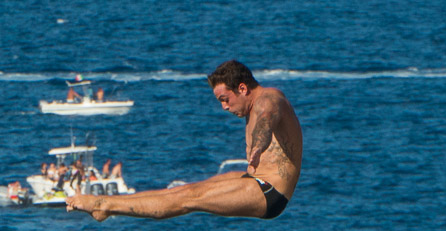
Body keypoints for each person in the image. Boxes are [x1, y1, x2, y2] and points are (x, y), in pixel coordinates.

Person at [66, 60, 302, 221]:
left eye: (225, 99)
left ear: (242, 88)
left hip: (270, 192)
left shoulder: (268, 98)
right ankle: (104, 202)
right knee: (185, 190)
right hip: (256, 181)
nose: (224, 107)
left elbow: (267, 117)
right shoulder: (253, 103)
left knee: (188, 199)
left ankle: (103, 206)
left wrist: (259, 145)